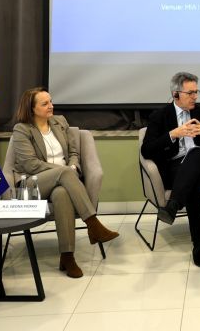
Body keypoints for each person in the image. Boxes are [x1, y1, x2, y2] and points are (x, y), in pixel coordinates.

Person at [12, 87, 119, 278]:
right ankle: (93, 224)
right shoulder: (22, 129)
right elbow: (30, 165)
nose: (51, 106)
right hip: (32, 185)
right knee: (65, 173)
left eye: (51, 101)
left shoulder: (60, 122)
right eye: (45, 103)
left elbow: (74, 153)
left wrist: (73, 166)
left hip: (63, 183)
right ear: (31, 108)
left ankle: (67, 256)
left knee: (61, 193)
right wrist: (65, 171)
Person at [141, 72, 200, 268]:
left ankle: (173, 205)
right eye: (190, 93)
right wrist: (173, 134)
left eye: (196, 92)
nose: (195, 97)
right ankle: (199, 245)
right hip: (178, 170)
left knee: (196, 152)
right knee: (195, 181)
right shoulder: (159, 116)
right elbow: (147, 150)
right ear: (175, 94)